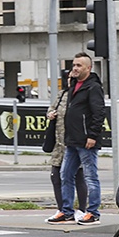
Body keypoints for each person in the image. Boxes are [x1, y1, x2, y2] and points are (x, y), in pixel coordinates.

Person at [48, 52, 104, 225]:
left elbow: (99, 113)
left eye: (79, 65)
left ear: (88, 68)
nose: (75, 68)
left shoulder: (93, 87)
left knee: (90, 176)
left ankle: (93, 212)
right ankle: (67, 211)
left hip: (85, 141)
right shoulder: (74, 87)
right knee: (65, 175)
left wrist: (92, 135)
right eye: (74, 65)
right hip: (71, 140)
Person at [45, 76, 89, 223]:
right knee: (56, 176)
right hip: (59, 144)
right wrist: (50, 114)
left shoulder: (82, 95)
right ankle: (63, 209)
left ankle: (82, 209)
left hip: (75, 142)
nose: (72, 80)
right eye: (70, 78)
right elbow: (52, 108)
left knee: (78, 176)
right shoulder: (62, 94)